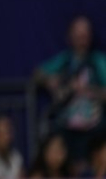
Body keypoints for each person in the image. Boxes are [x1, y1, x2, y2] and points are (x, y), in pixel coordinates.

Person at [33, 14, 106, 170]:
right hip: (66, 125)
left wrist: (87, 90)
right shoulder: (65, 59)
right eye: (78, 34)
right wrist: (52, 81)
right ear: (70, 36)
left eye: (85, 34)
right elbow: (38, 73)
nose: (82, 38)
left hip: (94, 126)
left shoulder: (98, 61)